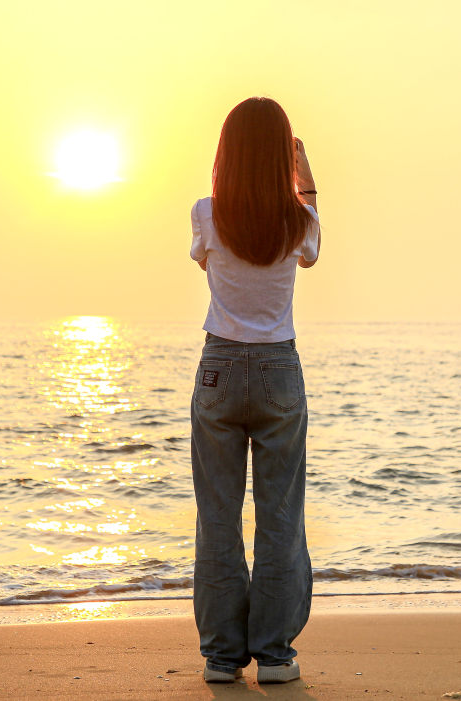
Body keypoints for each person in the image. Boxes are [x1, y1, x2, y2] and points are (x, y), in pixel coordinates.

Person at [188, 96, 320, 685]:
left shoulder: (206, 213)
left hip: (219, 367)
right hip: (277, 371)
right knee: (279, 517)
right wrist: (304, 178)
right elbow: (311, 254)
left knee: (218, 517)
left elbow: (207, 266)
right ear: (280, 157)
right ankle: (274, 655)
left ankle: (221, 656)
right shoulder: (299, 221)